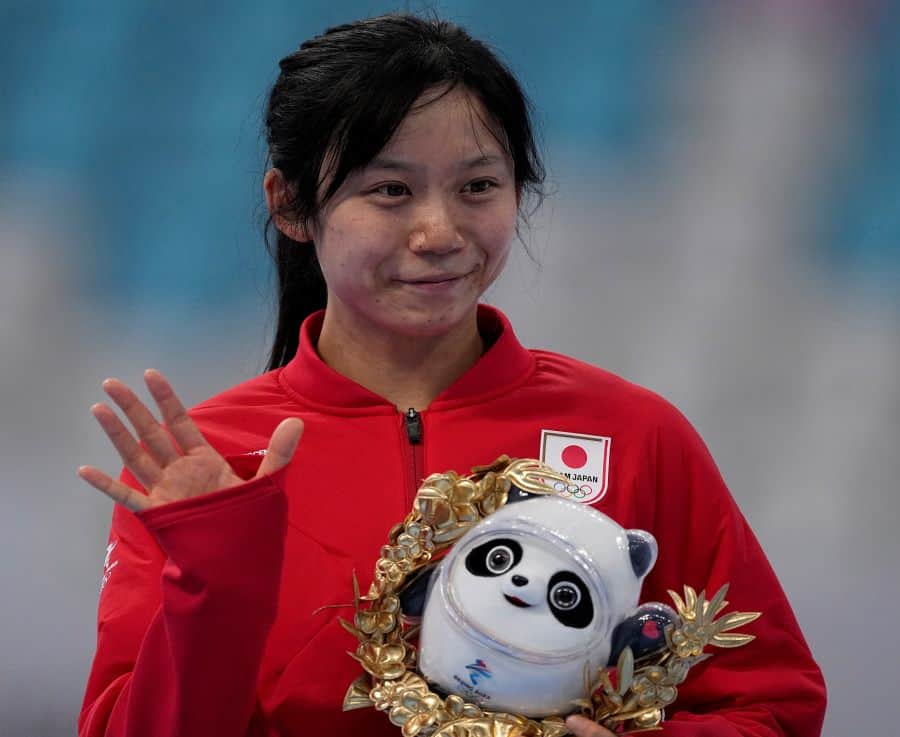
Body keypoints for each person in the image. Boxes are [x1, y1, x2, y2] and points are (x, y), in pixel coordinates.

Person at [77, 13, 826, 737]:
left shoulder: (634, 435)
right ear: (292, 204)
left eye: (477, 187)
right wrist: (214, 583)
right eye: (390, 190)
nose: (439, 233)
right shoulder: (209, 467)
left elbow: (774, 705)